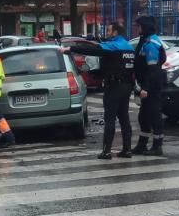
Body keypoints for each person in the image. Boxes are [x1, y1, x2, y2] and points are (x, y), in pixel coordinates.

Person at [69, 22, 135, 159]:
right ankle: (127, 149)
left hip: (114, 87)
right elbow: (115, 66)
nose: (107, 33)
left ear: (115, 32)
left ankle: (107, 151)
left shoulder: (113, 46)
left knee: (110, 119)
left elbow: (94, 50)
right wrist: (97, 73)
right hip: (127, 86)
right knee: (124, 118)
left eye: (109, 31)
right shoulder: (129, 47)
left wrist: (71, 48)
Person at [132, 15, 166, 156]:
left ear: (145, 27)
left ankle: (157, 146)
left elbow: (152, 69)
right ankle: (142, 144)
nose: (137, 29)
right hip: (146, 85)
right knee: (144, 116)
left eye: (139, 26)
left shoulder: (151, 43)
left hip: (151, 86)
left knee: (153, 115)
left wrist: (145, 88)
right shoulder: (145, 40)